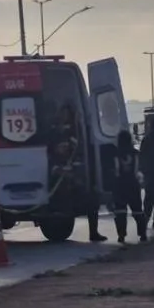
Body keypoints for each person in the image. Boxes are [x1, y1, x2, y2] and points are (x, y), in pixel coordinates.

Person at [50, 103, 106, 242]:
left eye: (67, 114)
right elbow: (52, 157)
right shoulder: (54, 134)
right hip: (58, 181)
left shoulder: (75, 133)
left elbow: (79, 151)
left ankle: (93, 232)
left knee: (92, 201)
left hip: (73, 178)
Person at [112, 130, 147, 244]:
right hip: (133, 183)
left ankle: (121, 235)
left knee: (120, 211)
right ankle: (142, 234)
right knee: (137, 210)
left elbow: (115, 172)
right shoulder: (135, 153)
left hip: (119, 185)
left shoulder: (115, 153)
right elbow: (138, 170)